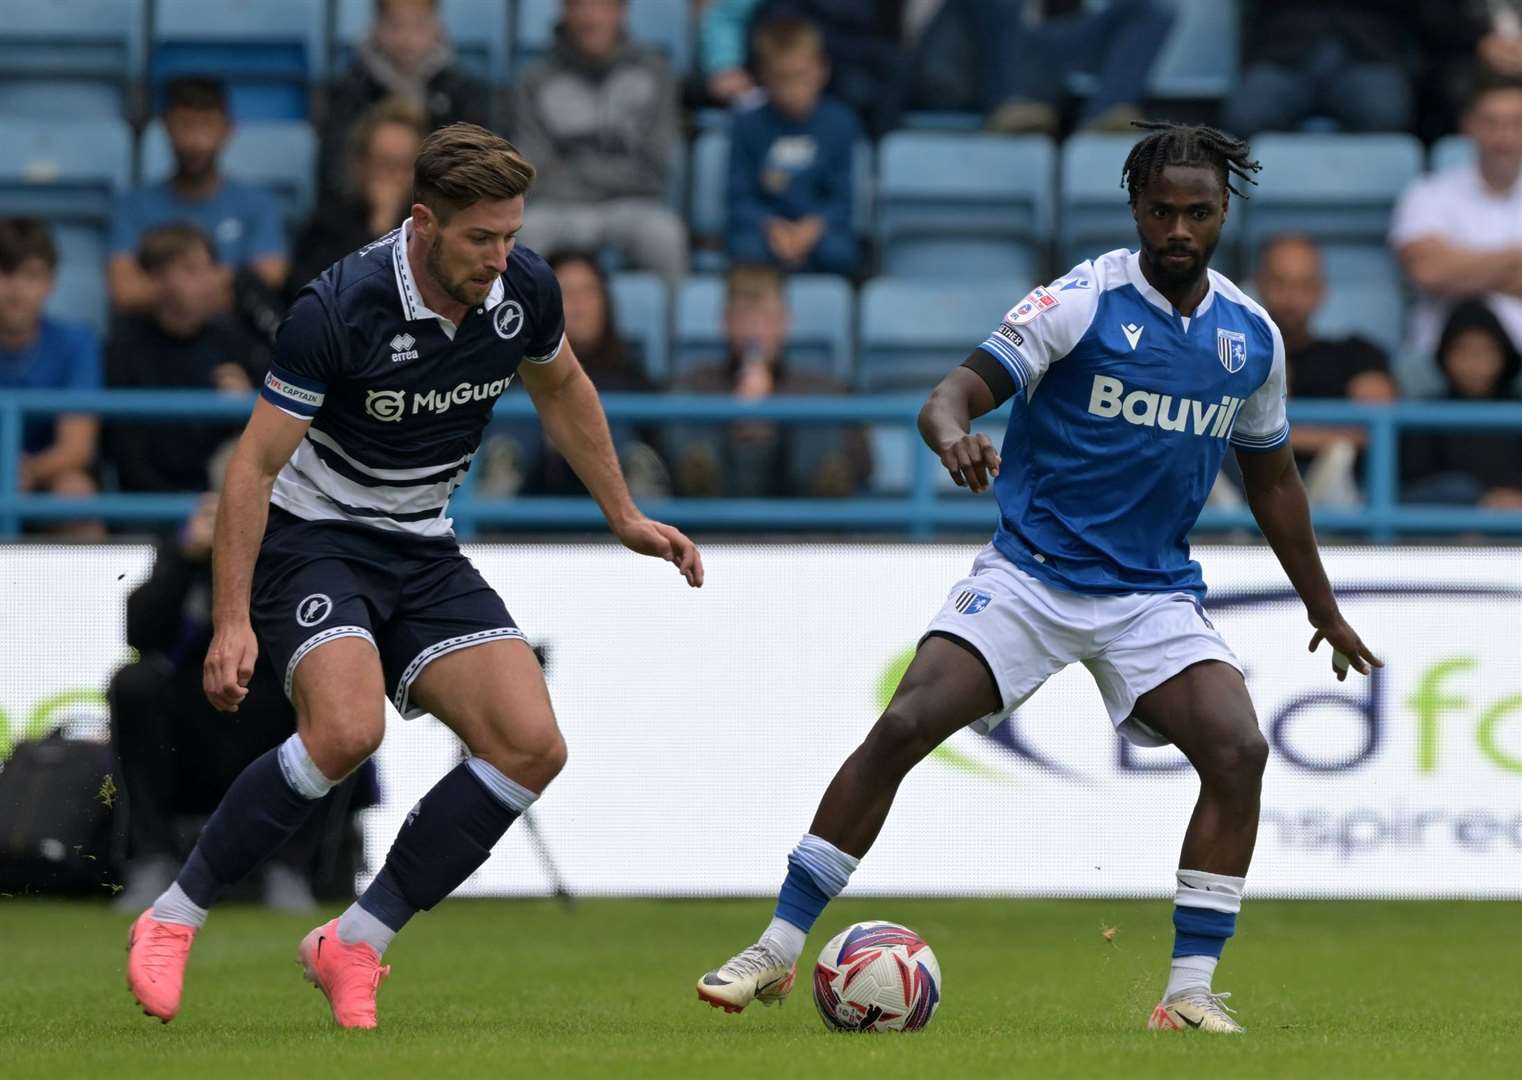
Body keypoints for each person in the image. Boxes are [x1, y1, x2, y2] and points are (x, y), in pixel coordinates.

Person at [695, 122, 1381, 1035]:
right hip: (1031, 574)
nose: (1178, 229)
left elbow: (1276, 480)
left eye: (1198, 213)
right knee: (904, 721)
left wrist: (1324, 609)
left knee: (1239, 748)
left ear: (1224, 214)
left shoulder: (1250, 338)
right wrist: (956, 440)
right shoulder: (1083, 299)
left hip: (1150, 597)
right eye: (1162, 211)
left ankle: (1186, 993)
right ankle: (777, 948)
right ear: (1137, 207)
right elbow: (951, 395)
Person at [124, 123, 703, 1031]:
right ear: (424, 222)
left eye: (512, 234)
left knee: (530, 745)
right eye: (482, 238)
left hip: (423, 546)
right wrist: (232, 619)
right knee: (346, 730)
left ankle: (354, 939)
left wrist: (623, 515)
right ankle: (173, 917)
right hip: (314, 540)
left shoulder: (523, 291)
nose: (500, 257)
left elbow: (564, 389)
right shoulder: (339, 307)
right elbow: (251, 469)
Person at [109, 492, 360, 915]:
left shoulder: (300, 551)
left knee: (339, 699)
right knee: (133, 685)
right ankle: (152, 860)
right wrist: (186, 558)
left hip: (272, 716)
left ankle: (291, 868)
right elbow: (140, 635)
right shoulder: (182, 553)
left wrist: (262, 558)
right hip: (189, 723)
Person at [512, 0, 688, 279]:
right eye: (580, 6)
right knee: (524, 235)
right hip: (558, 208)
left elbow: (654, 169)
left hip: (632, 205)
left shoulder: (655, 72)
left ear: (621, 12)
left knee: (666, 237)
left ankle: (675, 324)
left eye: (601, 5)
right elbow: (533, 172)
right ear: (564, 11)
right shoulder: (534, 78)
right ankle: (516, 323)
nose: (590, 18)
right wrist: (612, 172)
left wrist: (573, 170)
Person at [669, 264, 869, 497]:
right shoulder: (695, 383)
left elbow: (866, 462)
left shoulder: (822, 386)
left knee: (820, 412)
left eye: (765, 318)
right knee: (686, 405)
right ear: (726, 322)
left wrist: (773, 409)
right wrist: (734, 414)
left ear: (785, 321)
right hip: (716, 502)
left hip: (802, 510)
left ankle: (822, 477)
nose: (755, 330)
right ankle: (700, 478)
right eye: (744, 318)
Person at [104, 225, 267, 494]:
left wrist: (245, 409)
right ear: (156, 278)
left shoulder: (236, 342)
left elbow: (264, 444)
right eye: (191, 270)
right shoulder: (123, 350)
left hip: (218, 505)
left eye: (210, 267)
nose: (210, 280)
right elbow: (126, 453)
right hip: (147, 508)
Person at [109, 77, 289, 312]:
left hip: (236, 338)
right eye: (185, 125)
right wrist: (207, 287)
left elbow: (271, 275)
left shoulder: (257, 204)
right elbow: (124, 289)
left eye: (206, 126)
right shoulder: (133, 204)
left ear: (227, 130)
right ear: (166, 128)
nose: (196, 141)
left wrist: (182, 288)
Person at [1390, 71, 1522, 377]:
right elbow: (1428, 271)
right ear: (1468, 126)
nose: (1503, 137)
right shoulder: (1427, 193)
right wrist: (1516, 260)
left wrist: (1460, 269)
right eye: (1491, 123)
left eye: (1515, 123)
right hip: (1435, 357)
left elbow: (1442, 272)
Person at [1253, 234, 1397, 502]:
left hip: (1341, 493)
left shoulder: (1357, 353)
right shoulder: (1231, 354)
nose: (1290, 297)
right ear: (1259, 285)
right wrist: (1330, 437)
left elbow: (1376, 428)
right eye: (1279, 282)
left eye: (1304, 284)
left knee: (1337, 463)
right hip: (1250, 480)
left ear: (1321, 290)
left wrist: (1277, 436)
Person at [909, 0, 1174, 135]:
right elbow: (936, 74)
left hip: (1062, 53)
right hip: (999, 71)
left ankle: (1105, 117)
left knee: (1151, 9)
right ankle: (1014, 105)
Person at [726, 18, 859, 275]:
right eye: (782, 78)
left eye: (801, 75)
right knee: (747, 250)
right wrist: (770, 226)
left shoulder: (841, 123)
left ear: (822, 71)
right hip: (763, 231)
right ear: (765, 77)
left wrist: (813, 228)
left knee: (839, 252)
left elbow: (843, 199)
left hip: (820, 231)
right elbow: (739, 197)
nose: (793, 89)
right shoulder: (746, 124)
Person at [322, 0, 487, 198]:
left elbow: (477, 165)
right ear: (378, 26)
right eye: (396, 25)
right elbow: (335, 170)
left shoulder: (463, 92)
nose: (407, 39)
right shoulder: (350, 90)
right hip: (360, 210)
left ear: (436, 25)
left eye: (418, 25)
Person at [0, 218, 102, 537]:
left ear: (51, 282)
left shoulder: (76, 342)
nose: (17, 290)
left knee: (75, 493)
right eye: (5, 273)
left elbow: (77, 447)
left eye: (31, 275)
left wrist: (27, 471)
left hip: (44, 480)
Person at [291, 98, 426, 298]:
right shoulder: (327, 225)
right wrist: (378, 229)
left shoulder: (431, 229)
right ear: (360, 164)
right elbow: (314, 299)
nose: (391, 176)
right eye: (382, 162)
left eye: (401, 165)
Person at [1401, 299, 1522, 506]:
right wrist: (1480, 502)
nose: (1475, 362)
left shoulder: (1517, 410)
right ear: (1445, 355)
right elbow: (1414, 483)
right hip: (1442, 534)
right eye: (1463, 351)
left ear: (1504, 355)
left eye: (1487, 351)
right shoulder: (1423, 417)